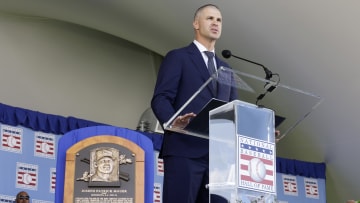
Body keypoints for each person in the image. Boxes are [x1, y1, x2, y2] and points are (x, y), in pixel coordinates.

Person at [151, 4, 237, 203]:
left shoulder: (226, 69)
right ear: (196, 23)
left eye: (219, 20)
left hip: (219, 161)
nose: (216, 23)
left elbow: (233, 110)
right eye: (210, 18)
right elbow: (161, 98)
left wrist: (260, 130)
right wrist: (173, 122)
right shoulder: (178, 57)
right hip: (184, 150)